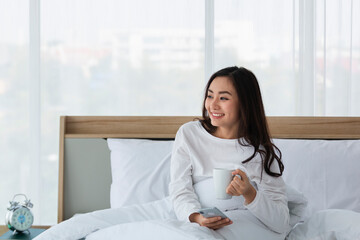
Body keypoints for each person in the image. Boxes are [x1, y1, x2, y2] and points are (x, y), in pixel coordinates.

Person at [169, 66, 290, 237]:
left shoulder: (260, 153)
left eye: (223, 98)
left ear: (245, 103)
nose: (213, 105)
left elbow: (282, 223)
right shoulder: (189, 134)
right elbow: (180, 189)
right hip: (197, 223)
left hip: (245, 224)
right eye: (210, 95)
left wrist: (249, 192)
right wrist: (196, 217)